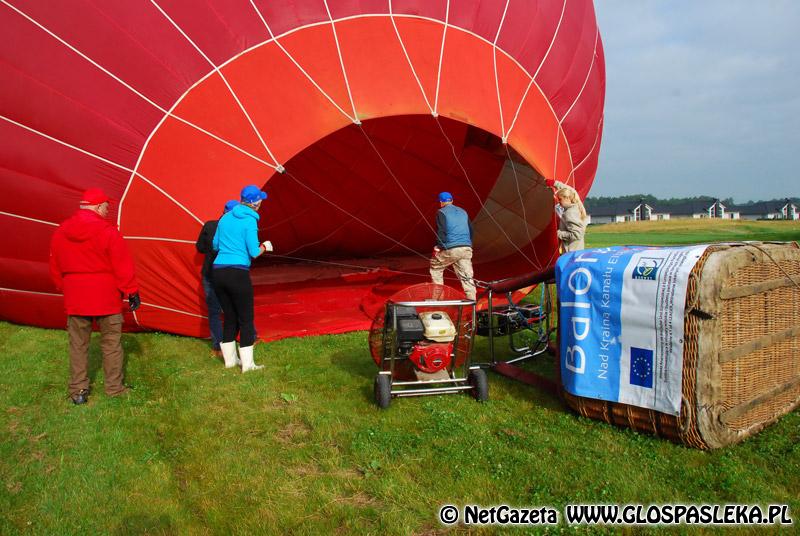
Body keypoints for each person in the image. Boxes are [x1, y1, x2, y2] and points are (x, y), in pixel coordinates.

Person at [49, 188, 140, 404]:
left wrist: (65, 287)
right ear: (98, 206)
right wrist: (131, 290)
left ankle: (78, 390)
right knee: (111, 343)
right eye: (107, 206)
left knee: (78, 344)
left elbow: (55, 264)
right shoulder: (108, 232)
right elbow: (122, 264)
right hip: (105, 295)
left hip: (76, 295)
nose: (108, 210)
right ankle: (114, 388)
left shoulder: (61, 231)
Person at [212, 185, 273, 372]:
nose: (262, 201)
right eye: (260, 199)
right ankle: (248, 365)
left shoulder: (224, 218)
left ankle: (230, 362)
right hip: (237, 273)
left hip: (218, 271)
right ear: (254, 203)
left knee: (230, 316)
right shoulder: (250, 221)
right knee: (246, 318)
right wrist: (265, 246)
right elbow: (254, 252)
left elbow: (215, 245)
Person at [195, 199, 239, 358]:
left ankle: (218, 346)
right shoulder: (237, 229)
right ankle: (248, 336)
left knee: (214, 311)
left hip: (210, 274)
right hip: (230, 273)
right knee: (236, 306)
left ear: (223, 211)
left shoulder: (210, 225)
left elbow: (199, 247)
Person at [430, 191, 477, 300]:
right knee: (467, 275)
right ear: (452, 200)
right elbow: (471, 229)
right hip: (466, 247)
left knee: (436, 268)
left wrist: (438, 246)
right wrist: (468, 243)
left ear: (441, 202)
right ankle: (472, 300)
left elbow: (442, 230)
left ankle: (438, 299)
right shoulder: (463, 211)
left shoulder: (441, 212)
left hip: (451, 247)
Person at [547, 179, 588, 252]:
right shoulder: (577, 205)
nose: (558, 202)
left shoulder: (570, 214)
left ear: (567, 198)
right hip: (577, 250)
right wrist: (555, 183)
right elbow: (572, 191)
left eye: (560, 199)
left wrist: (558, 233)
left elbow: (577, 235)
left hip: (571, 253)